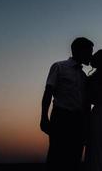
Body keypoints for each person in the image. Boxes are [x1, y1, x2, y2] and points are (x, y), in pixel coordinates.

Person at [40, 37, 94, 171]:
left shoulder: (83, 76)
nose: (91, 56)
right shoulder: (59, 67)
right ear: (79, 51)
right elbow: (48, 92)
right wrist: (44, 117)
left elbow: (87, 103)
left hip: (78, 121)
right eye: (89, 52)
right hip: (61, 118)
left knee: (75, 160)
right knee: (56, 158)